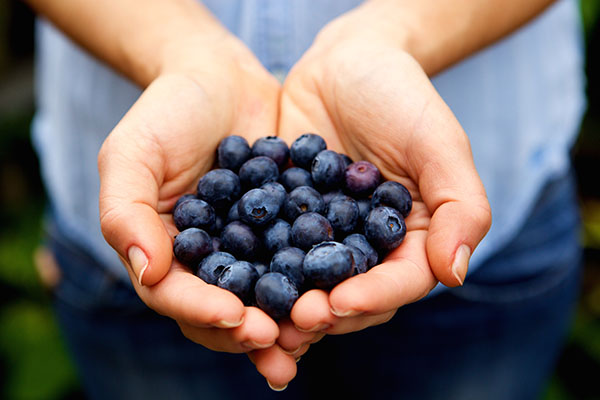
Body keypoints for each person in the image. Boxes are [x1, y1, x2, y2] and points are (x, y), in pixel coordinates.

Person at [25, 0, 585, 398]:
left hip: (496, 213)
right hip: (134, 244)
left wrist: (395, 33)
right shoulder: (247, 209)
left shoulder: (327, 203)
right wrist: (182, 50)